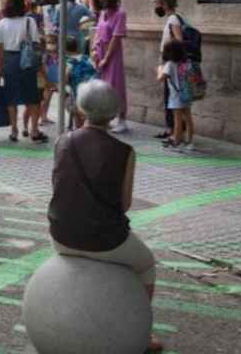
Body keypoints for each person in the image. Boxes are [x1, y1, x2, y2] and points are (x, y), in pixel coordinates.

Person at [47, 80, 162, 353]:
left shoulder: (62, 141)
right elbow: (124, 205)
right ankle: (141, 334)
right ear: (113, 112)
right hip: (107, 240)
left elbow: (58, 187)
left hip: (61, 234)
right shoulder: (124, 152)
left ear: (81, 107)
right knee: (146, 264)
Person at [0, 0, 47, 143]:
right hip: (27, 61)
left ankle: (14, 131)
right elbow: (36, 44)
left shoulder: (2, 23)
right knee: (33, 97)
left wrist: (0, 68)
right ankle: (34, 131)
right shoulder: (29, 21)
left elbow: (0, 48)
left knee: (11, 98)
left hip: (9, 61)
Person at [92, 0, 129, 133]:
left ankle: (122, 119)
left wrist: (106, 58)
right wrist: (94, 50)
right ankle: (107, 118)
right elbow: (97, 33)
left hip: (112, 56)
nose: (102, 2)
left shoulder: (120, 14)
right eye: (99, 0)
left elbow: (116, 38)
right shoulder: (102, 13)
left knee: (116, 86)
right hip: (100, 54)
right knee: (104, 89)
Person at [154, 0, 183, 140]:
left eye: (158, 3)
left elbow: (178, 40)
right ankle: (172, 129)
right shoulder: (171, 19)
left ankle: (174, 131)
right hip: (168, 62)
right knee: (170, 97)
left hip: (170, 64)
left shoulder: (173, 20)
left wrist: (166, 60)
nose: (157, 7)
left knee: (171, 98)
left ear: (165, 4)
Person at [157, 40, 194, 150]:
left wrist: (159, 69)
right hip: (186, 93)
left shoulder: (170, 64)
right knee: (188, 118)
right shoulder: (187, 62)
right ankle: (189, 141)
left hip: (176, 96)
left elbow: (160, 79)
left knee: (177, 119)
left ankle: (176, 141)